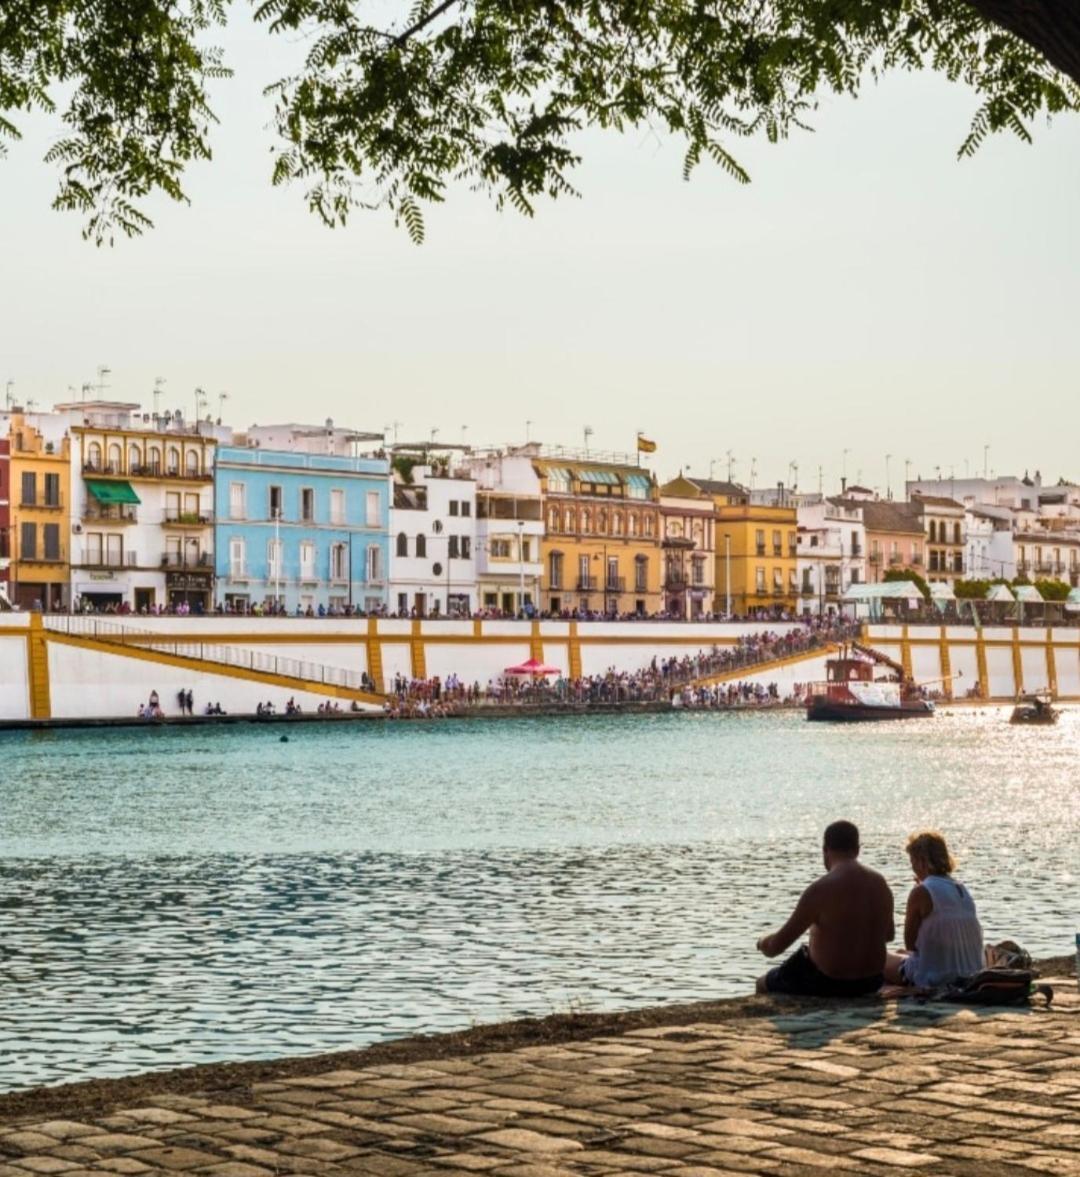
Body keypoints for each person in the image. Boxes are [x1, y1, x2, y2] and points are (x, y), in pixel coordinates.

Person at [755, 820, 894, 997]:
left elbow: (775, 947)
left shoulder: (819, 890)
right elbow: (889, 935)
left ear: (825, 850)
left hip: (828, 984)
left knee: (762, 983)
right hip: (871, 982)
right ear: (858, 849)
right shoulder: (880, 883)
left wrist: (761, 942)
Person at [884, 831, 984, 988]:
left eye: (913, 861)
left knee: (878, 957)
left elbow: (910, 943)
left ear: (922, 862)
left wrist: (918, 889)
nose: (912, 867)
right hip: (971, 971)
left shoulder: (922, 891)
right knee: (901, 952)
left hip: (935, 976)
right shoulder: (961, 889)